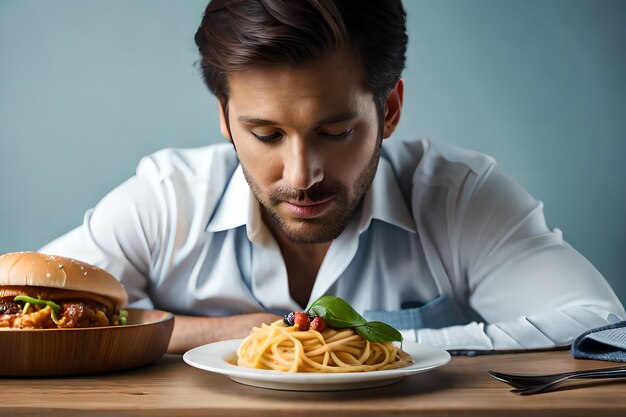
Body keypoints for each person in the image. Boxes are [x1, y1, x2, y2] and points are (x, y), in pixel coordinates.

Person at [41, 0, 624, 354]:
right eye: (266, 135)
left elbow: (601, 326)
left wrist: (351, 345)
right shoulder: (167, 199)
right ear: (223, 117)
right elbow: (18, 314)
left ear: (389, 109)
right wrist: (225, 334)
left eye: (337, 131)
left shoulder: (457, 197)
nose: (302, 176)